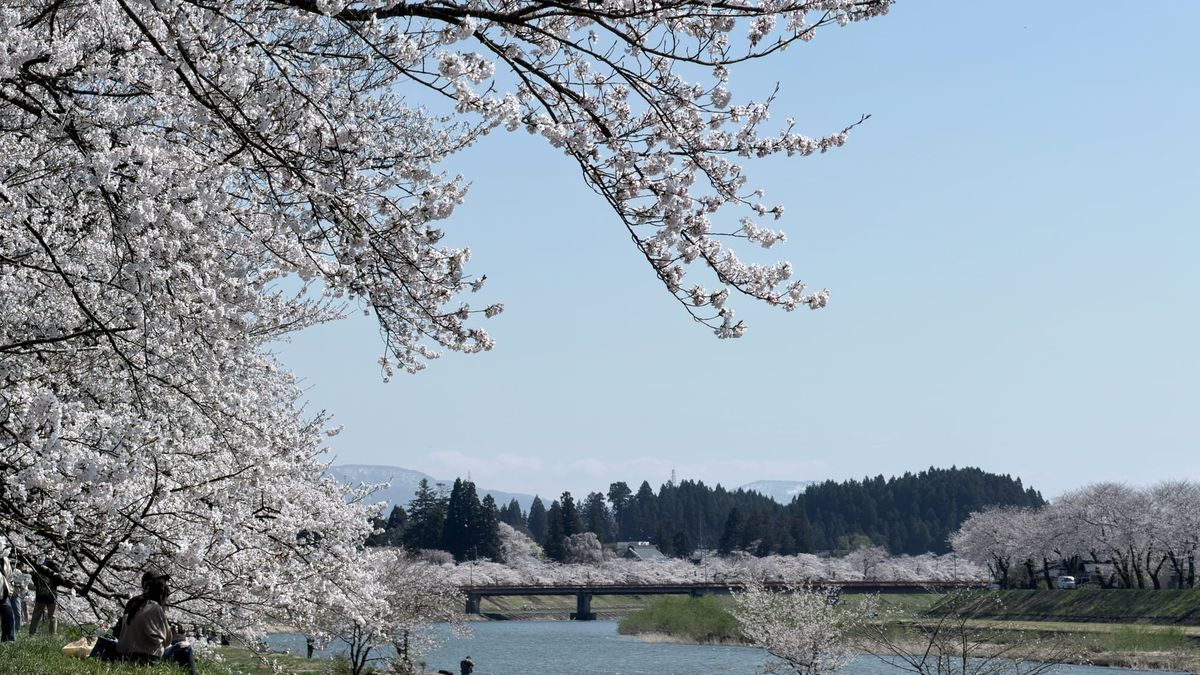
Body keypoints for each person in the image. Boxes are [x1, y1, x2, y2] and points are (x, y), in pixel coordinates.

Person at [104, 566, 196, 674]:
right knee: (185, 646)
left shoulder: (134, 603)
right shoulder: (154, 607)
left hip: (123, 653)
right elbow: (167, 642)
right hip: (145, 657)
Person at [29, 559, 60, 635]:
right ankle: (53, 634)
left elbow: (34, 581)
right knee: (52, 616)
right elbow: (59, 581)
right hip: (52, 596)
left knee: (36, 615)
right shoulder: (54, 574)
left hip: (40, 595)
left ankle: (32, 633)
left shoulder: (37, 573)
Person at [0, 540, 14, 642]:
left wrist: (10, 591)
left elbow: (9, 576)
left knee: (8, 617)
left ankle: (8, 640)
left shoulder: (5, 559)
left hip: (4, 593)